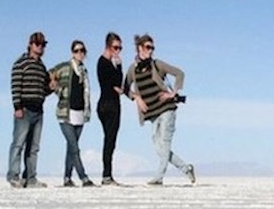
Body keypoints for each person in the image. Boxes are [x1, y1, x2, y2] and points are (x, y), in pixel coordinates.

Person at [125, 34, 195, 185]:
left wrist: (173, 93)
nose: (150, 50)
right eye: (148, 47)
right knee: (159, 149)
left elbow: (179, 73)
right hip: (152, 114)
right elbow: (125, 88)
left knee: (165, 143)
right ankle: (186, 169)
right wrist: (136, 98)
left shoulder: (157, 64)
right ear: (140, 48)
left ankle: (159, 177)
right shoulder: (133, 70)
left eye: (152, 48)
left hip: (167, 109)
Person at [7, 32, 52, 188]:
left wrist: (51, 88)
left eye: (43, 45)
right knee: (18, 143)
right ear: (30, 45)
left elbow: (43, 90)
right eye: (37, 44)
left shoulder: (41, 67)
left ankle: (30, 177)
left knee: (33, 147)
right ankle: (13, 175)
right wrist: (17, 107)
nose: (40, 47)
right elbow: (15, 86)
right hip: (24, 110)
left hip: (38, 110)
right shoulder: (21, 63)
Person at [49, 40, 96, 187]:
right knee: (74, 148)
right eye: (76, 51)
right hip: (65, 113)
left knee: (71, 148)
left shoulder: (84, 71)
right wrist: (57, 88)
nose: (79, 53)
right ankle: (84, 177)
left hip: (80, 114)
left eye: (82, 51)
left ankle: (67, 178)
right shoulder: (65, 67)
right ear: (72, 53)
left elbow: (86, 92)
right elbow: (50, 73)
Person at [97, 32, 125, 185]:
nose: (118, 51)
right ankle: (106, 175)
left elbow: (119, 84)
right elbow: (112, 85)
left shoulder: (111, 63)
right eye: (115, 47)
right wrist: (118, 69)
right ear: (108, 46)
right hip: (108, 105)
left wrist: (119, 65)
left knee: (110, 140)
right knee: (109, 140)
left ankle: (107, 174)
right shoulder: (103, 63)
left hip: (110, 103)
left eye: (120, 48)